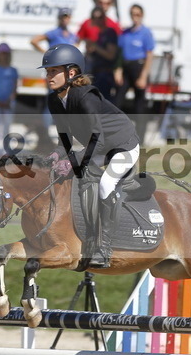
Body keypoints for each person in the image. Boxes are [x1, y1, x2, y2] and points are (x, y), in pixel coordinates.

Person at [41, 43, 140, 269]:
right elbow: (63, 138)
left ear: (71, 72)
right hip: (99, 146)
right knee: (77, 180)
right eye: (47, 72)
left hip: (123, 145)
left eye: (53, 71)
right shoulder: (54, 100)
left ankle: (104, 248)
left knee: (106, 184)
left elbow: (100, 139)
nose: (49, 76)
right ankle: (82, 236)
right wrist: (58, 155)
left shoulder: (85, 97)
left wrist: (74, 160)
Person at [115, 3, 156, 137]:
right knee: (117, 101)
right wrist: (119, 69)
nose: (135, 17)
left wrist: (144, 75)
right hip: (126, 68)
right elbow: (120, 52)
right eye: (133, 14)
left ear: (142, 15)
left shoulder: (145, 33)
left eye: (138, 14)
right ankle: (115, 134)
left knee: (139, 105)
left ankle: (140, 137)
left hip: (139, 67)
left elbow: (149, 54)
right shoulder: (126, 33)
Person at [79, 6, 118, 100]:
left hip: (104, 74)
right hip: (96, 73)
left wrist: (95, 47)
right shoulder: (100, 34)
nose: (97, 20)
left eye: (100, 17)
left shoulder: (109, 33)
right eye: (94, 18)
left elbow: (110, 55)